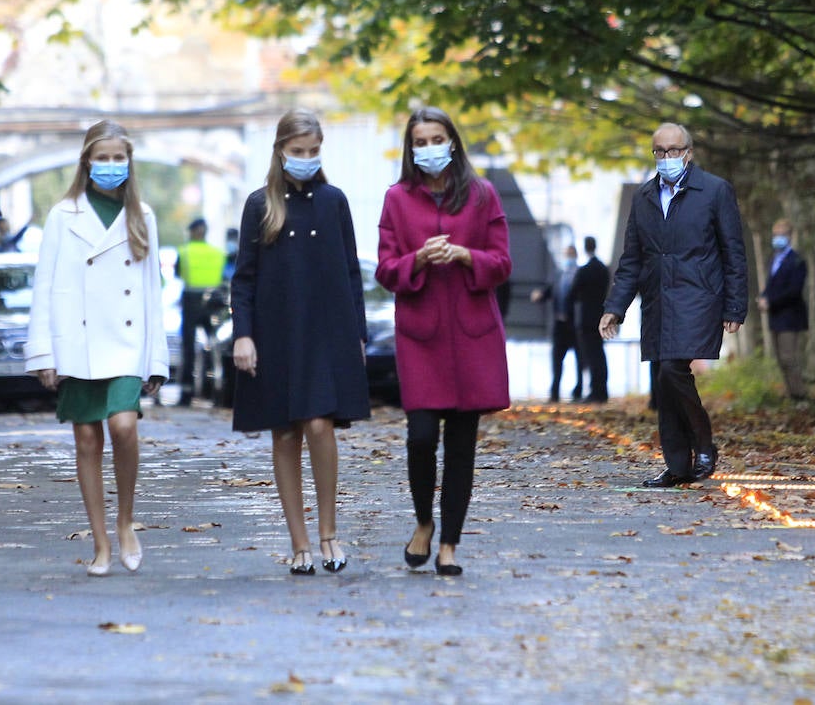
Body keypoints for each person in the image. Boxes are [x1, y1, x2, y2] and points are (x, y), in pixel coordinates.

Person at [230, 108, 370, 575]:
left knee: (319, 425)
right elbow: (243, 278)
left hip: (327, 330)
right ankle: (299, 543)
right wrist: (244, 335)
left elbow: (352, 272)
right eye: (297, 152)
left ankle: (329, 532)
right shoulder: (260, 205)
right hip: (275, 332)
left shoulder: (334, 201)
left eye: (313, 152)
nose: (306, 159)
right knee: (285, 432)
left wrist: (358, 335)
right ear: (280, 151)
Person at [25, 120, 168, 576]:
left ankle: (126, 522)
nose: (110, 166)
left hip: (127, 342)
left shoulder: (143, 215)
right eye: (101, 158)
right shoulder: (62, 214)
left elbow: (151, 292)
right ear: (87, 161)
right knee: (87, 439)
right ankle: (101, 544)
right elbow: (44, 286)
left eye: (117, 158)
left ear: (129, 162)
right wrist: (43, 353)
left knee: (124, 426)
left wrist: (157, 358)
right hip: (77, 341)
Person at [377, 107, 511, 576]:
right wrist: (416, 259)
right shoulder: (397, 198)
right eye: (421, 140)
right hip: (421, 338)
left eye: (437, 138)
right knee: (419, 438)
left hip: (473, 337)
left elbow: (501, 263)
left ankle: (450, 542)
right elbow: (385, 270)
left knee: (461, 445)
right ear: (411, 148)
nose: (430, 147)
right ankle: (423, 522)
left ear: (452, 141)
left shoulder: (482, 194)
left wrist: (464, 255)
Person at [599, 123, 747, 487]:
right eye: (660, 151)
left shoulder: (714, 191)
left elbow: (734, 252)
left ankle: (704, 442)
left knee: (671, 370)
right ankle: (678, 465)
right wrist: (615, 307)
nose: (667, 158)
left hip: (699, 295)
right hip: (658, 299)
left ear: (689, 152)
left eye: (674, 150)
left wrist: (734, 306)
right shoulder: (644, 196)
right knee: (663, 382)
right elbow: (631, 259)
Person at [757, 219, 810, 402]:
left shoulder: (796, 260)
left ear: (789, 236)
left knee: (789, 358)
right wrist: (763, 297)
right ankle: (791, 395)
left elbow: (794, 290)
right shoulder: (773, 258)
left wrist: (770, 302)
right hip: (776, 317)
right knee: (781, 359)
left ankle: (800, 396)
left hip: (791, 316)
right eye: (775, 234)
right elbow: (771, 285)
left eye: (781, 234)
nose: (777, 238)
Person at [177, 216, 226, 405]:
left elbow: (179, 274)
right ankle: (217, 387)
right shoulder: (217, 253)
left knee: (188, 347)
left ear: (193, 231)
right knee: (215, 346)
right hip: (213, 301)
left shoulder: (185, 251)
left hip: (191, 301)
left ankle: (187, 392)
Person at [531, 244, 581, 402]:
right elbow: (548, 291)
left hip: (574, 323)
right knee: (557, 359)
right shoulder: (557, 275)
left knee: (580, 358)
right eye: (567, 254)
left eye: (571, 254)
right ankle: (555, 391)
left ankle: (578, 390)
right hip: (559, 323)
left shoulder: (580, 274)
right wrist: (539, 295)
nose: (568, 258)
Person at [573, 236, 611, 402]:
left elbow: (574, 292)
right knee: (600, 354)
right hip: (600, 316)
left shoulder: (584, 271)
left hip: (587, 318)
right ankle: (602, 389)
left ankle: (595, 391)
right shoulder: (603, 269)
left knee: (590, 355)